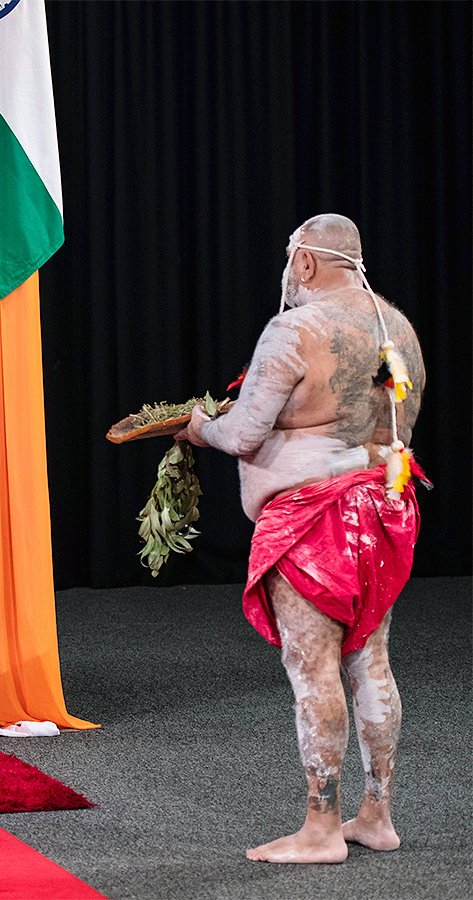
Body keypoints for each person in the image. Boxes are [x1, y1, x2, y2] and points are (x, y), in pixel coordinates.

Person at [181, 214, 425, 863]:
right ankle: (378, 817)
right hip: (382, 510)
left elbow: (242, 434)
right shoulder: (396, 328)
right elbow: (398, 429)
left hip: (313, 519)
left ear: (307, 263)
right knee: (370, 661)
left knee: (313, 667)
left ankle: (321, 829)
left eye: (292, 263)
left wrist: (197, 426)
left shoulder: (296, 329)